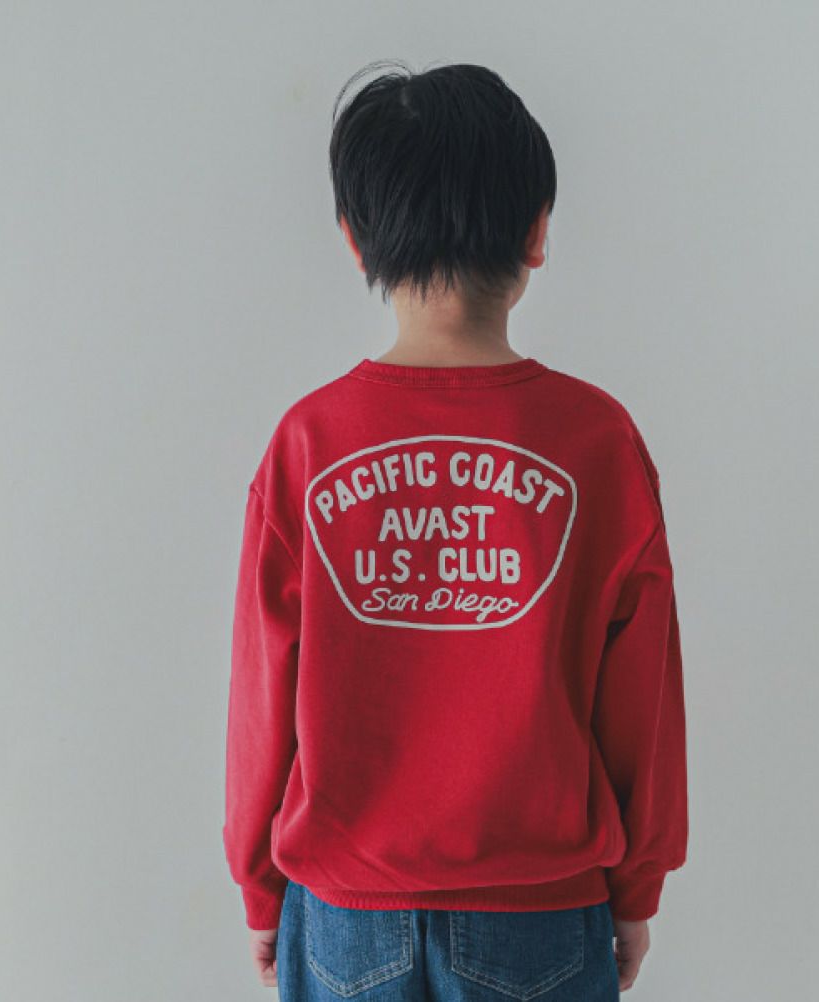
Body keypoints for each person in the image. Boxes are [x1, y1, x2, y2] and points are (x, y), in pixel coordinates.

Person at [222, 59, 688, 1000]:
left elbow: (263, 692)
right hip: (541, 911)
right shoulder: (598, 443)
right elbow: (645, 702)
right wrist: (636, 887)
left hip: (346, 913)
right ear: (538, 233)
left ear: (355, 239)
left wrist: (260, 887)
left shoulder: (309, 442)